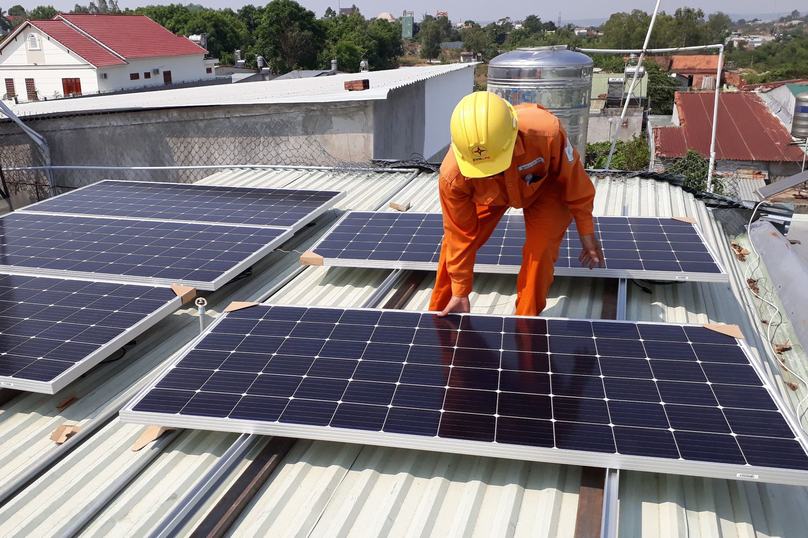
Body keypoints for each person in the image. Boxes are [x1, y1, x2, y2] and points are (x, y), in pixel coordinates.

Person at [430, 91, 603, 317]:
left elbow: (575, 181)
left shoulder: (547, 133)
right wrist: (460, 292)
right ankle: (441, 313)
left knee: (540, 252)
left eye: (496, 166)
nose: (492, 172)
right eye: (484, 170)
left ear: (512, 137)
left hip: (544, 188)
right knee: (452, 249)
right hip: (491, 196)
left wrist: (586, 230)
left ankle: (525, 322)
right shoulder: (454, 176)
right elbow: (459, 233)